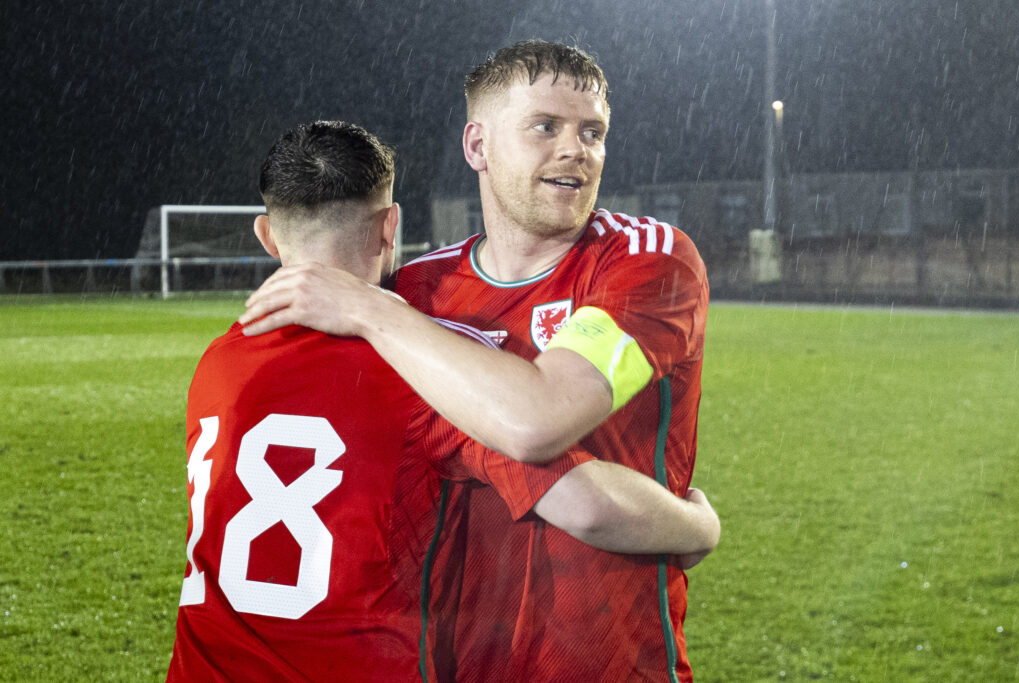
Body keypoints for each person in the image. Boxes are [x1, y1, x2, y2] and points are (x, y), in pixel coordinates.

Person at [172, 120, 718, 681]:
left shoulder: (219, 361)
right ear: (391, 227)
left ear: (267, 235)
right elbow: (589, 507)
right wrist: (698, 527)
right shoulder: (419, 375)